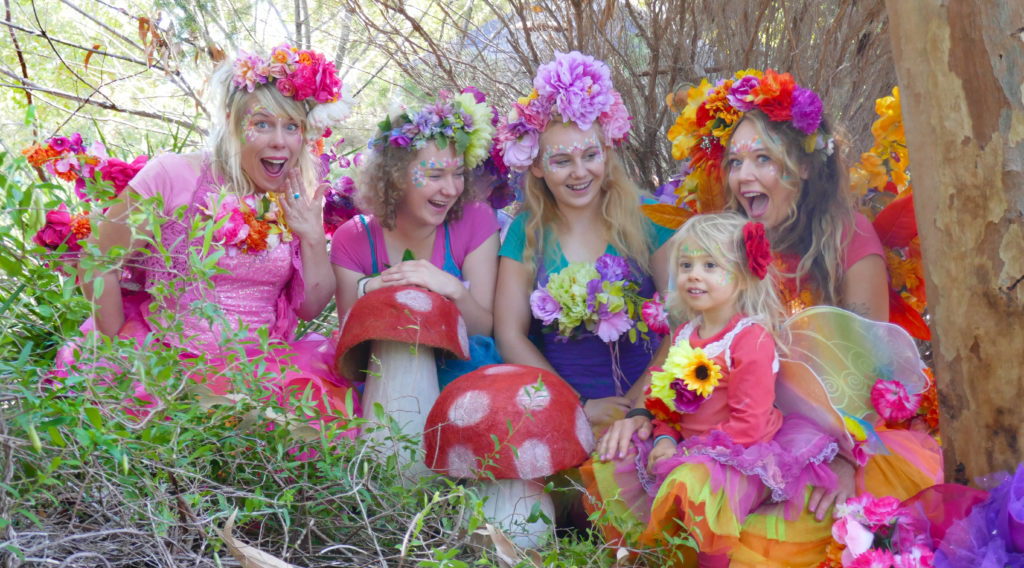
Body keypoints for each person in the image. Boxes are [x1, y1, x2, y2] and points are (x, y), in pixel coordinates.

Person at [591, 70, 942, 566]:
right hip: (725, 431)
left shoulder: (849, 238)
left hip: (823, 440)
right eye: (735, 161)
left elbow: (871, 370)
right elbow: (692, 340)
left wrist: (846, 463)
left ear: (802, 167)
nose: (743, 176)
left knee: (757, 548)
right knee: (630, 467)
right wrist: (642, 412)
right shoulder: (727, 242)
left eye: (763, 159)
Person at [60, 44, 360, 432]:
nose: (280, 142)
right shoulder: (171, 174)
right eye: (263, 124)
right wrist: (117, 347)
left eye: (292, 127)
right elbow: (99, 260)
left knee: (316, 434)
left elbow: (309, 308)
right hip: (168, 366)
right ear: (232, 122)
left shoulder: (294, 195)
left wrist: (312, 236)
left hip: (260, 375)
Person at [586, 212, 842, 567]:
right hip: (689, 451)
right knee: (617, 462)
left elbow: (750, 425)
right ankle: (651, 556)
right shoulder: (683, 336)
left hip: (742, 458)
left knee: (693, 482)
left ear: (740, 275)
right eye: (687, 264)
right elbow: (666, 405)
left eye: (710, 265)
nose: (694, 274)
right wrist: (663, 440)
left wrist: (686, 453)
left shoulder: (749, 338)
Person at [493, 50, 673, 433]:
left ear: (606, 153)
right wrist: (578, 407)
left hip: (654, 406)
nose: (580, 173)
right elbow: (509, 334)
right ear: (538, 167)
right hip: (563, 413)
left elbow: (686, 318)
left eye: (590, 155)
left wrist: (640, 406)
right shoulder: (526, 232)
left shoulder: (650, 218)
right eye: (561, 161)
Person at [330, 89, 501, 388]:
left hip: (463, 377)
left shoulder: (475, 221)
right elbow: (352, 344)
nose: (451, 189)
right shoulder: (354, 238)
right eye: (435, 176)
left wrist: (454, 291)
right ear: (395, 178)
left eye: (458, 173)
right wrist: (370, 288)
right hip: (383, 380)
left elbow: (483, 330)